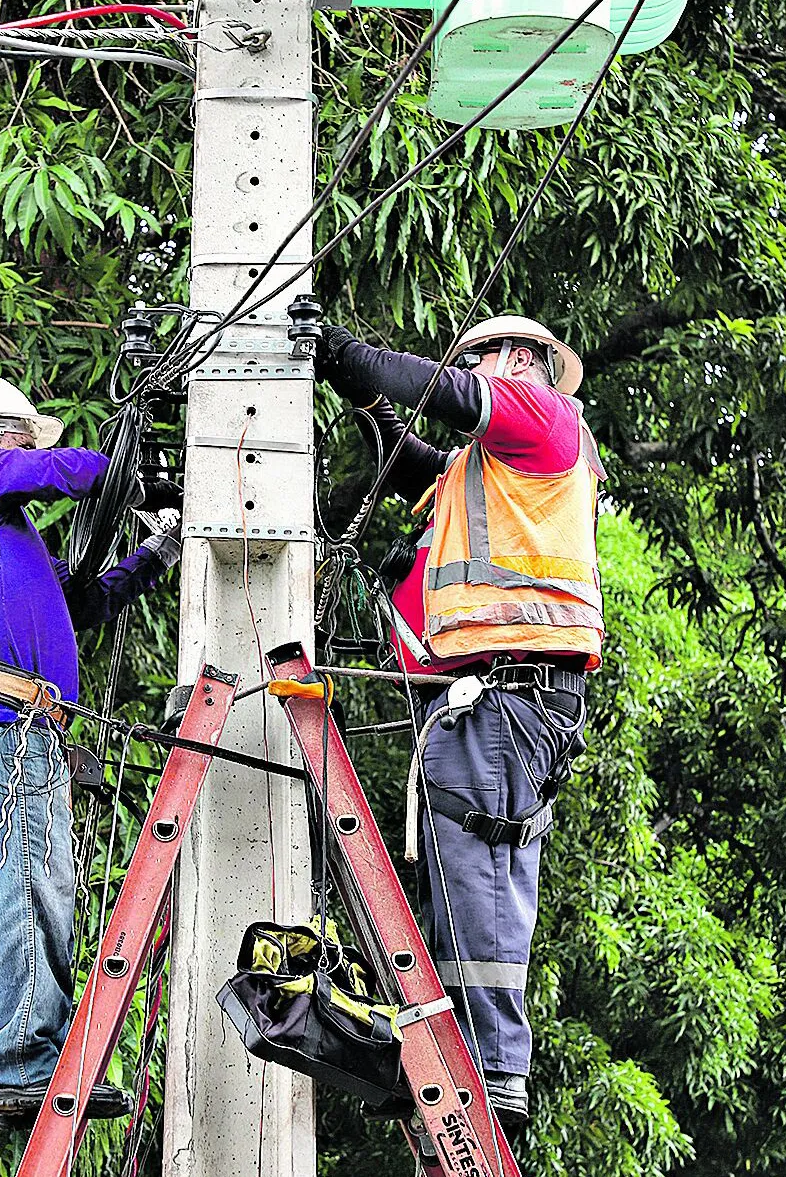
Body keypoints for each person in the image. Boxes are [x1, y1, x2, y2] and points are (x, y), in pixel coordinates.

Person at [311, 314, 604, 1132]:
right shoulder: (487, 473)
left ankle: (495, 1068)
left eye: (475, 360)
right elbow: (415, 464)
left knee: (478, 881)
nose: (466, 371)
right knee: (459, 883)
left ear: (519, 361)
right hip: (497, 699)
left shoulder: (546, 419)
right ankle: (472, 1062)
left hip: (509, 693)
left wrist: (349, 351)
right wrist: (362, 394)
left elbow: (446, 394)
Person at [0, 371, 182, 1129]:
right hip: (0, 723)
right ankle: (23, 1064)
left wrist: (158, 547)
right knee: (30, 888)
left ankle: (26, 1057)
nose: (28, 455)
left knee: (20, 891)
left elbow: (87, 599)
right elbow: (65, 471)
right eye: (21, 442)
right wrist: (124, 473)